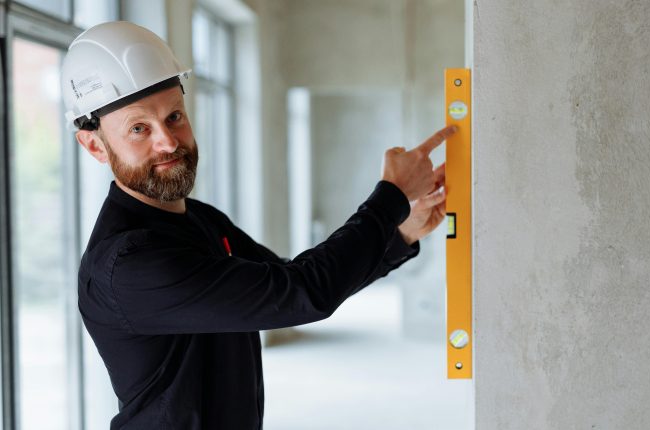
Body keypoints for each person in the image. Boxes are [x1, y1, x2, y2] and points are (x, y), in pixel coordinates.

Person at [62, 21, 455, 429]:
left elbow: (289, 279)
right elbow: (305, 292)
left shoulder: (198, 218)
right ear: (95, 145)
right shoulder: (128, 264)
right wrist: (390, 197)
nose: (168, 141)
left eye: (174, 116)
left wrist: (400, 233)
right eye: (139, 128)